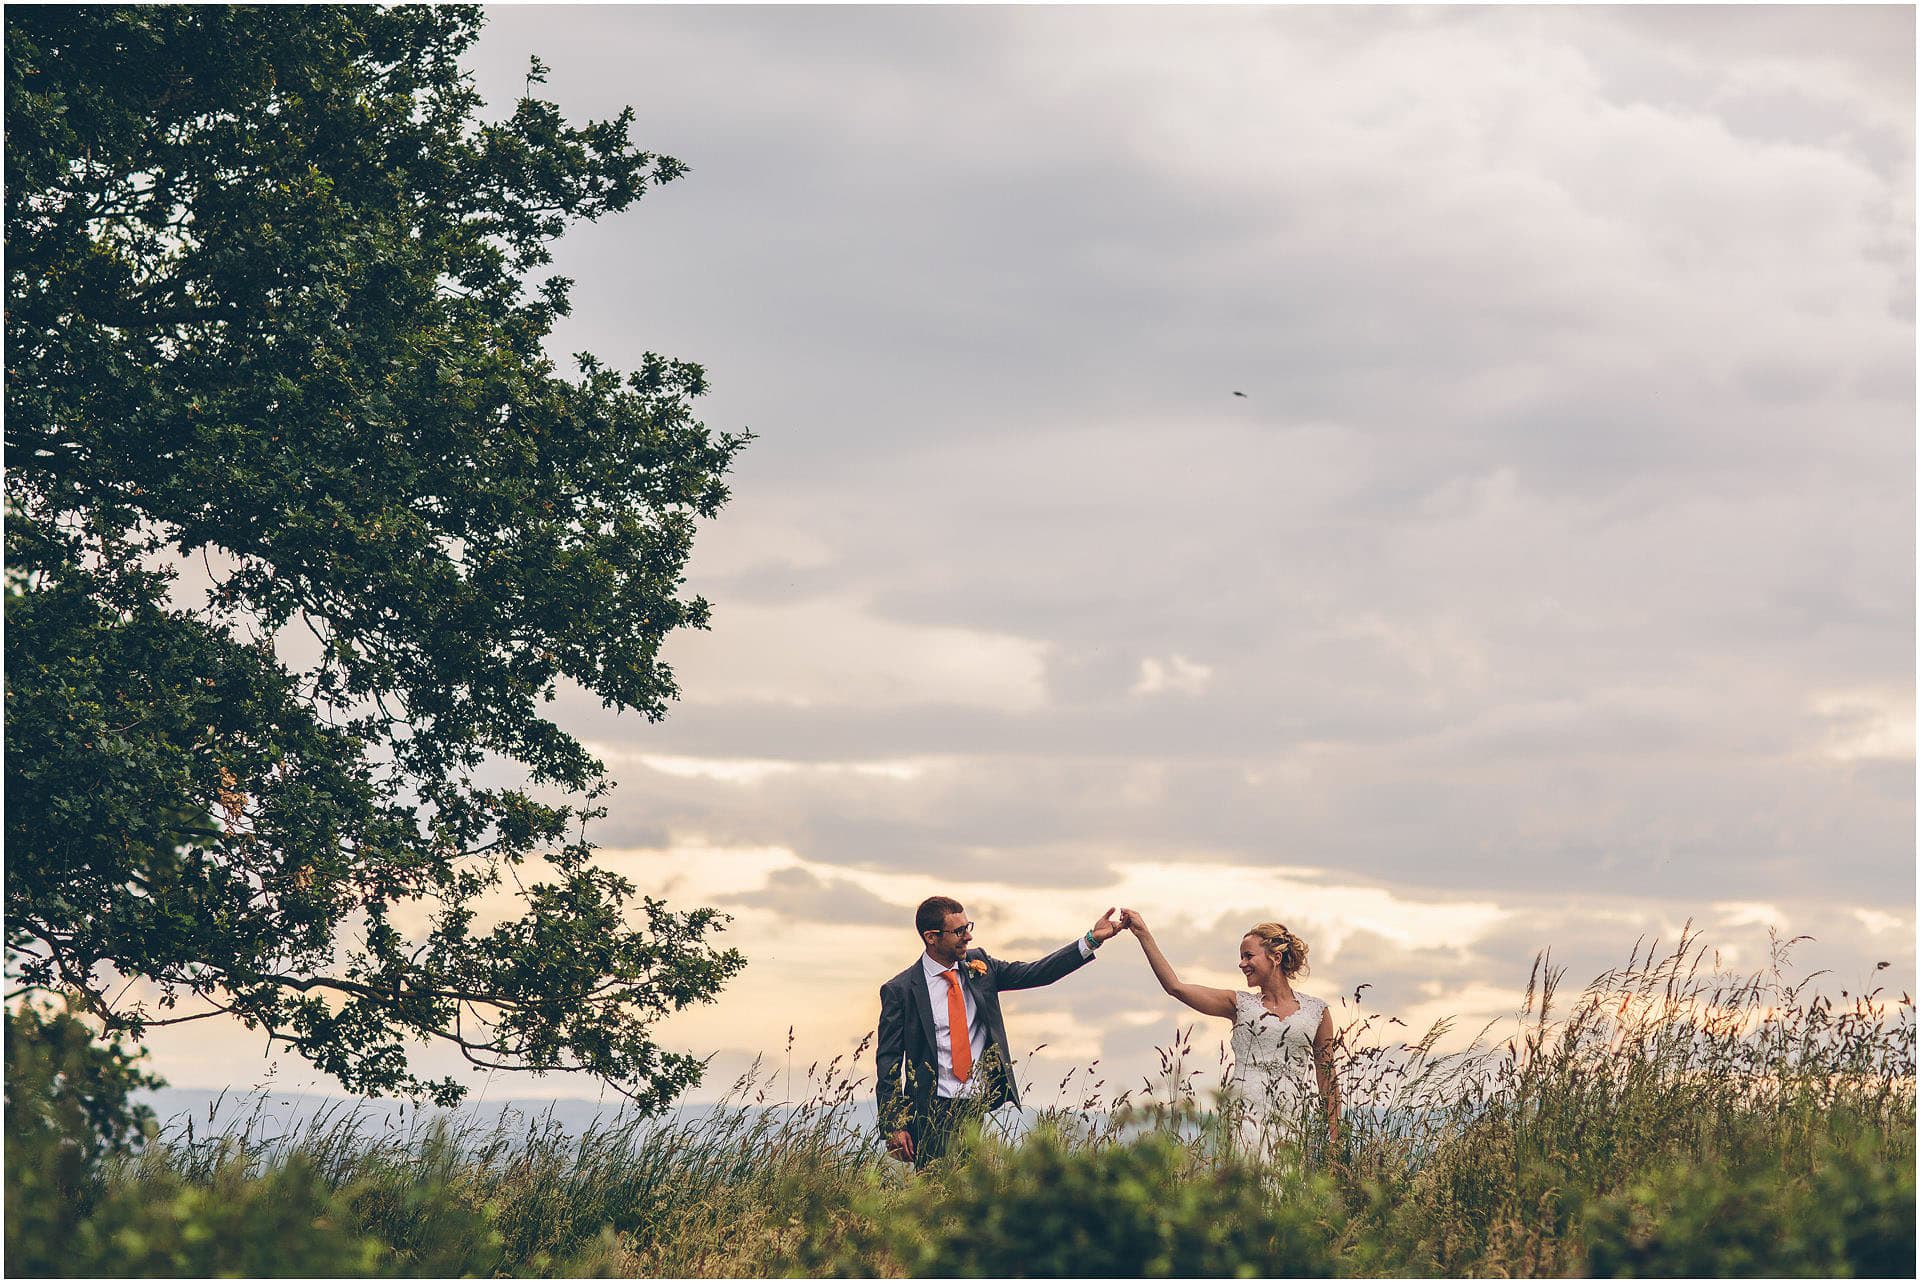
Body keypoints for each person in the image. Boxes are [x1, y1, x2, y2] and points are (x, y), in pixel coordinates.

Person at [876, 895, 1122, 1167]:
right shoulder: (900, 990)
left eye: (968, 926)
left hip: (975, 1103)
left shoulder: (980, 965)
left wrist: (1091, 940)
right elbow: (888, 1062)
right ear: (931, 937)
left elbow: (1037, 973)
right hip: (931, 1109)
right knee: (937, 1189)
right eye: (958, 931)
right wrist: (894, 1125)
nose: (968, 936)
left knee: (969, 1188)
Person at [1117, 909, 1339, 1161]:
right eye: (1241, 957)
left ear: (1275, 957)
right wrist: (1143, 934)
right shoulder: (1238, 1003)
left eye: (1248, 956)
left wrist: (1333, 1137)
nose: (1242, 963)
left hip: (1293, 1117)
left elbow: (1327, 1077)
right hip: (1246, 1115)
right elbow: (1175, 987)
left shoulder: (1316, 1012)